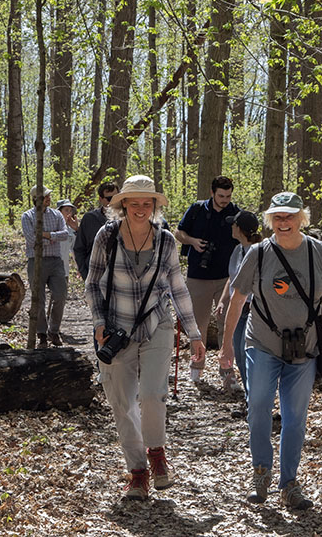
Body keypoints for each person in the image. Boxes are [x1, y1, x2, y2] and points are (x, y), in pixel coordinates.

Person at [220, 192, 322, 510]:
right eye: (278, 217)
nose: (284, 223)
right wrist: (227, 345)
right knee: (258, 409)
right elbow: (237, 298)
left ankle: (289, 484)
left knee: (295, 419)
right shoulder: (257, 253)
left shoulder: (319, 252)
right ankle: (260, 474)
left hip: (304, 348)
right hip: (262, 343)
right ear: (270, 220)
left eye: (290, 216)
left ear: (302, 218)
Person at [85, 174, 207, 501]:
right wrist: (99, 321)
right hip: (115, 329)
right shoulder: (106, 237)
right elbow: (93, 283)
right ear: (123, 205)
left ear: (154, 205)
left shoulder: (166, 240)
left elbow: (177, 288)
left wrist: (194, 334)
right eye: (134, 202)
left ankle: (157, 453)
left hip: (157, 324)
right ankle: (137, 473)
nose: (140, 208)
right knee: (122, 402)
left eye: (147, 203)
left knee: (153, 394)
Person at [175, 175, 240, 381]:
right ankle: (196, 367)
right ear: (212, 193)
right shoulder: (197, 210)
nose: (225, 200)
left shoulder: (235, 213)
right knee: (197, 325)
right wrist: (193, 242)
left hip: (226, 277)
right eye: (221, 196)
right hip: (198, 276)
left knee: (227, 326)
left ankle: (227, 371)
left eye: (228, 196)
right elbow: (178, 233)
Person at [216, 210, 262, 394]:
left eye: (234, 224)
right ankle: (249, 396)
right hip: (238, 310)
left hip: (254, 309)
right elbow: (232, 279)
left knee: (247, 352)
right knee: (239, 354)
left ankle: (257, 396)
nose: (231, 228)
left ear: (239, 229)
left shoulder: (259, 251)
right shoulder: (238, 250)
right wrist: (222, 301)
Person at [21, 185, 73, 348]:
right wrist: (51, 238)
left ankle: (54, 331)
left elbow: (64, 235)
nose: (49, 198)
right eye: (45, 196)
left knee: (60, 295)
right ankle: (42, 334)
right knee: (39, 300)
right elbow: (31, 239)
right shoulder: (28, 216)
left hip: (56, 261)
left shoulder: (57, 215)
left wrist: (46, 234)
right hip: (36, 261)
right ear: (36, 199)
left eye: (49, 195)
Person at [74, 182, 119, 283]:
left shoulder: (128, 219)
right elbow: (79, 248)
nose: (113, 202)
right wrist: (86, 275)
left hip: (120, 277)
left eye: (116, 198)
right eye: (109, 199)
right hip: (95, 276)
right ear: (100, 199)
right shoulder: (89, 219)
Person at [55, 199, 79, 279]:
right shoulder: (52, 227)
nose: (69, 213)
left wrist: (79, 267)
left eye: (70, 210)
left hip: (64, 271)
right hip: (51, 270)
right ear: (59, 212)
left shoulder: (71, 230)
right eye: (66, 210)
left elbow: (75, 249)